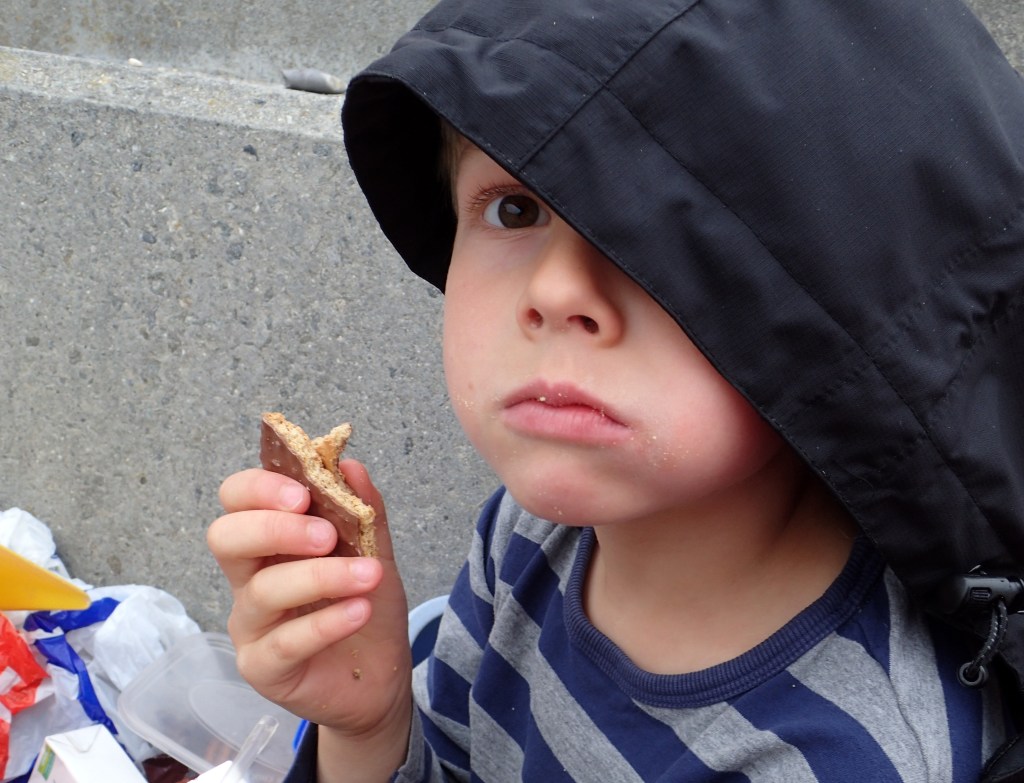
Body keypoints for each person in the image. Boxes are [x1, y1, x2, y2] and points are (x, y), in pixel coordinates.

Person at [207, 0, 1024, 780]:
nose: (558, 290)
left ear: (848, 303)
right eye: (516, 210)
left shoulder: (845, 754)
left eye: (660, 230)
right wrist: (372, 724)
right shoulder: (531, 535)